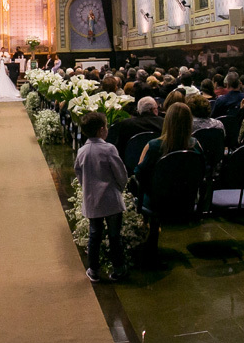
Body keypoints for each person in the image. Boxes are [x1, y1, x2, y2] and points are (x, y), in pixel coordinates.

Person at [135, 103, 203, 254]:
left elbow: (138, 174)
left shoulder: (153, 146)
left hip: (157, 201)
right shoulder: (196, 145)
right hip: (185, 199)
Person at [74, 112, 128, 282]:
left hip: (93, 200)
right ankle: (118, 269)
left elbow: (79, 174)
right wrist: (119, 188)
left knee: (94, 235)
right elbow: (121, 173)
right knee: (114, 236)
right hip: (111, 200)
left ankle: (94, 270)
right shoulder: (109, 149)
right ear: (101, 130)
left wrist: (88, 189)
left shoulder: (82, 151)